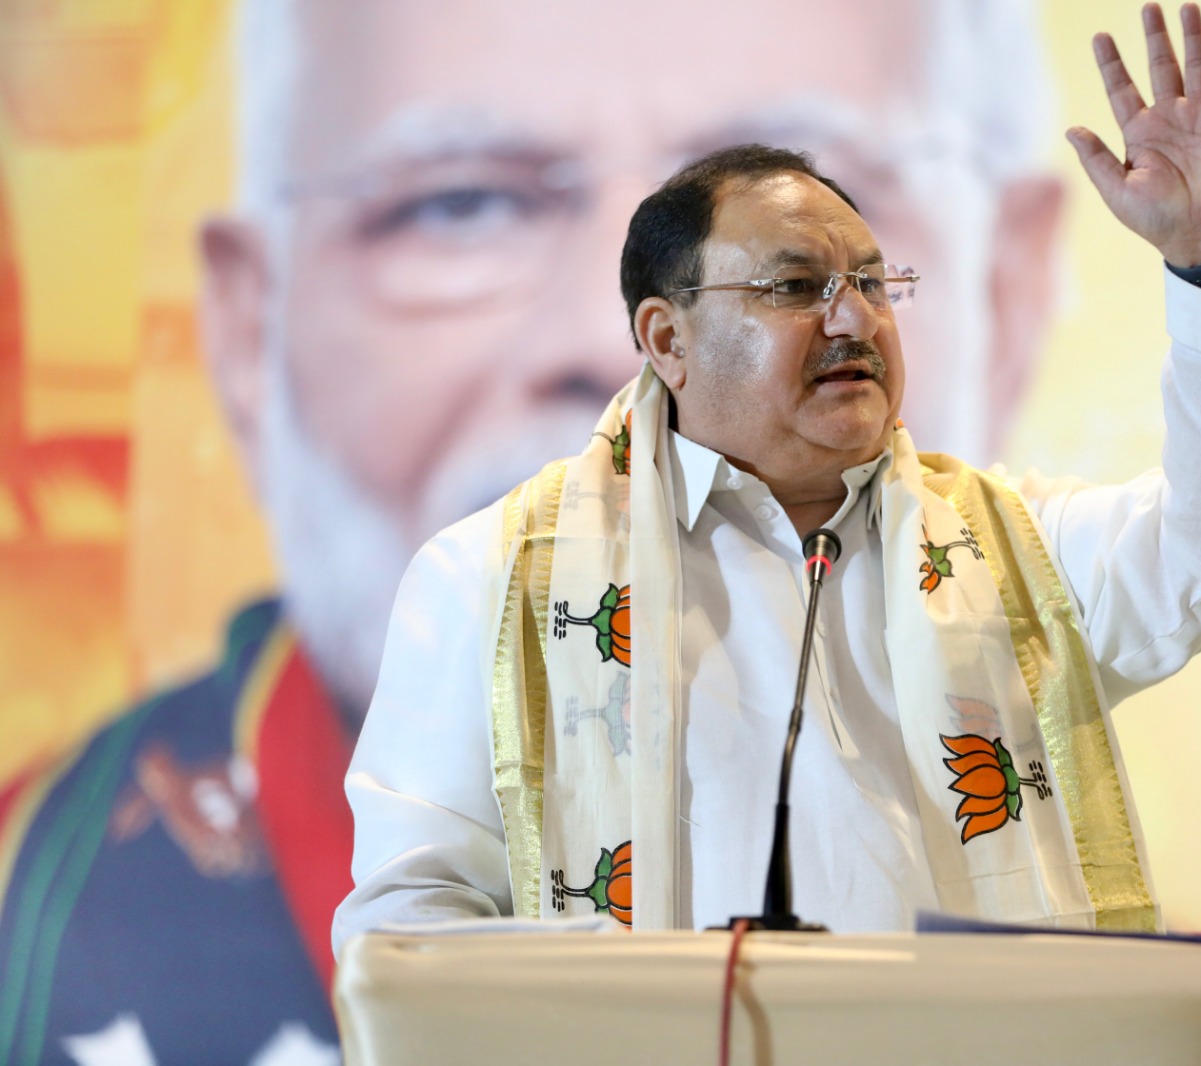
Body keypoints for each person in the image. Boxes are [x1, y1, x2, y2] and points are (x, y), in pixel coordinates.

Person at [0, 2, 1073, 1062]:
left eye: (787, 257)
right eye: (461, 205)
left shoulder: (1120, 953)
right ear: (246, 329)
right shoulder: (29, 895)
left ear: (1008, 294)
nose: (605, 342)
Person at [334, 7, 1201, 943]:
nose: (854, 321)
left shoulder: (1015, 556)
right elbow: (412, 918)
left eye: (872, 284)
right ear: (665, 337)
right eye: (798, 287)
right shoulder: (493, 581)